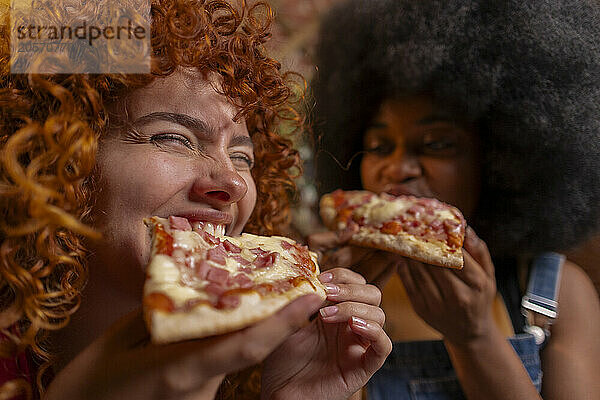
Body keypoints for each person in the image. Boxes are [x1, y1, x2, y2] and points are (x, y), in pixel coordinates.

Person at [0, 1, 392, 399]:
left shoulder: (253, 370)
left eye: (242, 156)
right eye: (173, 137)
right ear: (54, 157)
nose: (234, 184)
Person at [310, 0, 600, 399]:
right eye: (379, 145)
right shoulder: (322, 284)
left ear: (499, 159)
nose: (397, 168)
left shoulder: (558, 291)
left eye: (436, 144)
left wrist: (475, 337)